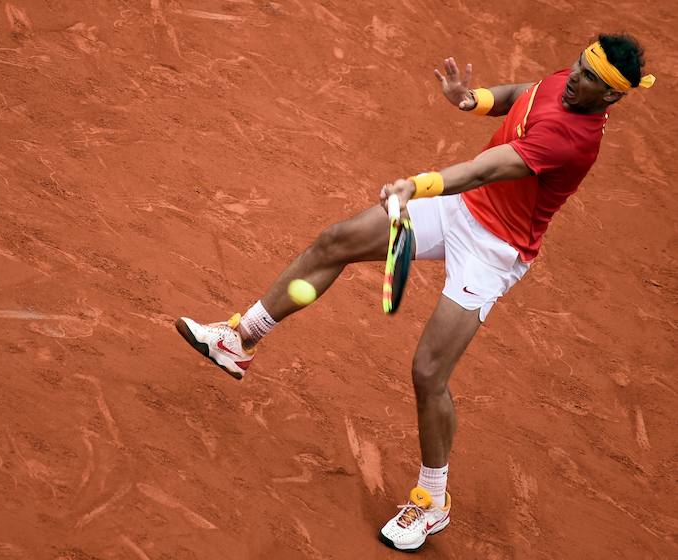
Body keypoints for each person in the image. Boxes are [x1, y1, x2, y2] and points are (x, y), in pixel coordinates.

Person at [174, 34, 653, 552]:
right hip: (463, 208)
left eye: (587, 79)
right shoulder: (570, 83)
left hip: (494, 250)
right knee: (337, 241)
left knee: (428, 372)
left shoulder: (574, 141)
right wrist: (477, 102)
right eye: (579, 66)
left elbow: (486, 168)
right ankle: (239, 340)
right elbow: (529, 92)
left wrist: (414, 186)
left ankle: (433, 500)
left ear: (610, 98)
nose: (575, 77)